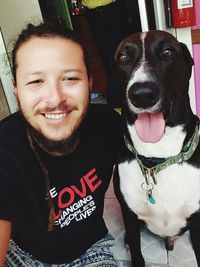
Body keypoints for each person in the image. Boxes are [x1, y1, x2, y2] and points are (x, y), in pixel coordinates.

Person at [0, 22, 122, 266]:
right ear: (16, 90)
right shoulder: (5, 150)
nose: (55, 98)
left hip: (90, 250)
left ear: (89, 83)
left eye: (70, 78)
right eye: (36, 82)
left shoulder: (108, 125)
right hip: (22, 255)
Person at [81, 0, 128, 107]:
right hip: (93, 13)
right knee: (104, 58)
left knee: (116, 57)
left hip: (113, 9)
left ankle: (117, 102)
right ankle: (118, 98)